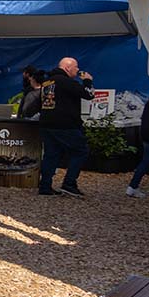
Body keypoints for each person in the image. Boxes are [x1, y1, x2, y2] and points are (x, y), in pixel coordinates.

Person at [37, 57, 95, 197]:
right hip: (65, 124)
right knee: (81, 151)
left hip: (47, 123)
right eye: (76, 67)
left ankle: (45, 186)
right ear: (68, 68)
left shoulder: (47, 82)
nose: (77, 70)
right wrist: (87, 80)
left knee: (51, 154)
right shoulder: (66, 82)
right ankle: (69, 183)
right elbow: (88, 94)